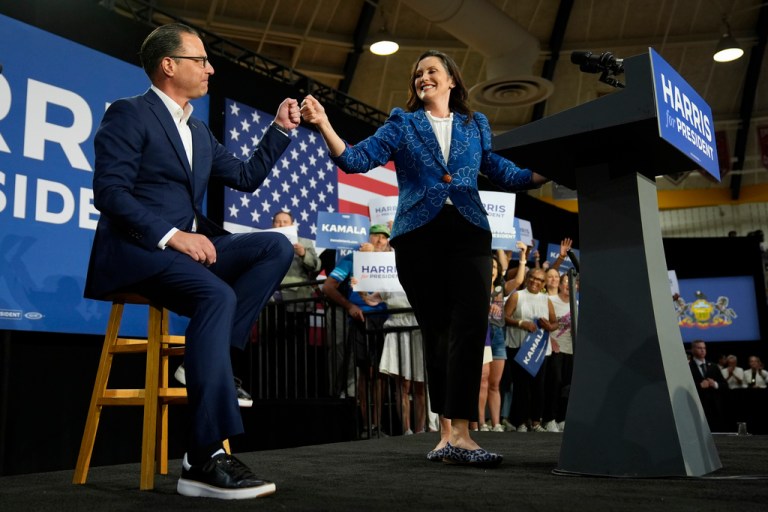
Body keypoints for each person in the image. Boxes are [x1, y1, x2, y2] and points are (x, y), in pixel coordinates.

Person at [301, 49, 548, 467]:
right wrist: (324, 123)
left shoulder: (476, 124)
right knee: (437, 330)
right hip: (419, 235)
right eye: (418, 73)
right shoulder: (403, 123)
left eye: (432, 70)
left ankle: (464, 435)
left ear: (452, 80)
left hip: (470, 231)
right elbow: (355, 159)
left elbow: (505, 172)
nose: (423, 77)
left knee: (470, 329)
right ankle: (445, 434)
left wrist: (550, 170)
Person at [84, 23, 300, 499]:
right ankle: (203, 457)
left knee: (276, 245)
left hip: (187, 253)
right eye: (200, 60)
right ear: (169, 66)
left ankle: (215, 357)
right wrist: (173, 236)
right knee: (216, 294)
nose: (210, 68)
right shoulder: (129, 114)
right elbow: (110, 194)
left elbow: (245, 175)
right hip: (139, 253)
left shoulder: (197, 130)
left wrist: (280, 131)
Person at [321, 225, 391, 437]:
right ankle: (365, 426)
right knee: (365, 373)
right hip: (362, 321)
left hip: (387, 322)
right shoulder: (354, 258)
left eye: (383, 237)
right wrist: (350, 306)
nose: (379, 240)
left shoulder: (391, 261)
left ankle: (377, 426)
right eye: (375, 236)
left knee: (381, 374)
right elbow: (328, 287)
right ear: (368, 237)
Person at [504, 267, 558, 433]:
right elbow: (504, 317)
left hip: (540, 350)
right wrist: (522, 323)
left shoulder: (546, 299)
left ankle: (535, 422)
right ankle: (520, 422)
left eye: (540, 280)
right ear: (527, 278)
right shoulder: (517, 296)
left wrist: (550, 326)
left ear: (543, 283)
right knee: (521, 387)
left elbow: (555, 322)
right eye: (533, 278)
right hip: (519, 347)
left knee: (538, 387)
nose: (535, 282)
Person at [688, 340, 728, 432]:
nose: (702, 350)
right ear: (693, 350)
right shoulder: (688, 367)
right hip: (697, 408)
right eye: (699, 348)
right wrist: (699, 386)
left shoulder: (713, 366)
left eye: (704, 348)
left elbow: (725, 385)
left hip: (715, 409)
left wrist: (714, 384)